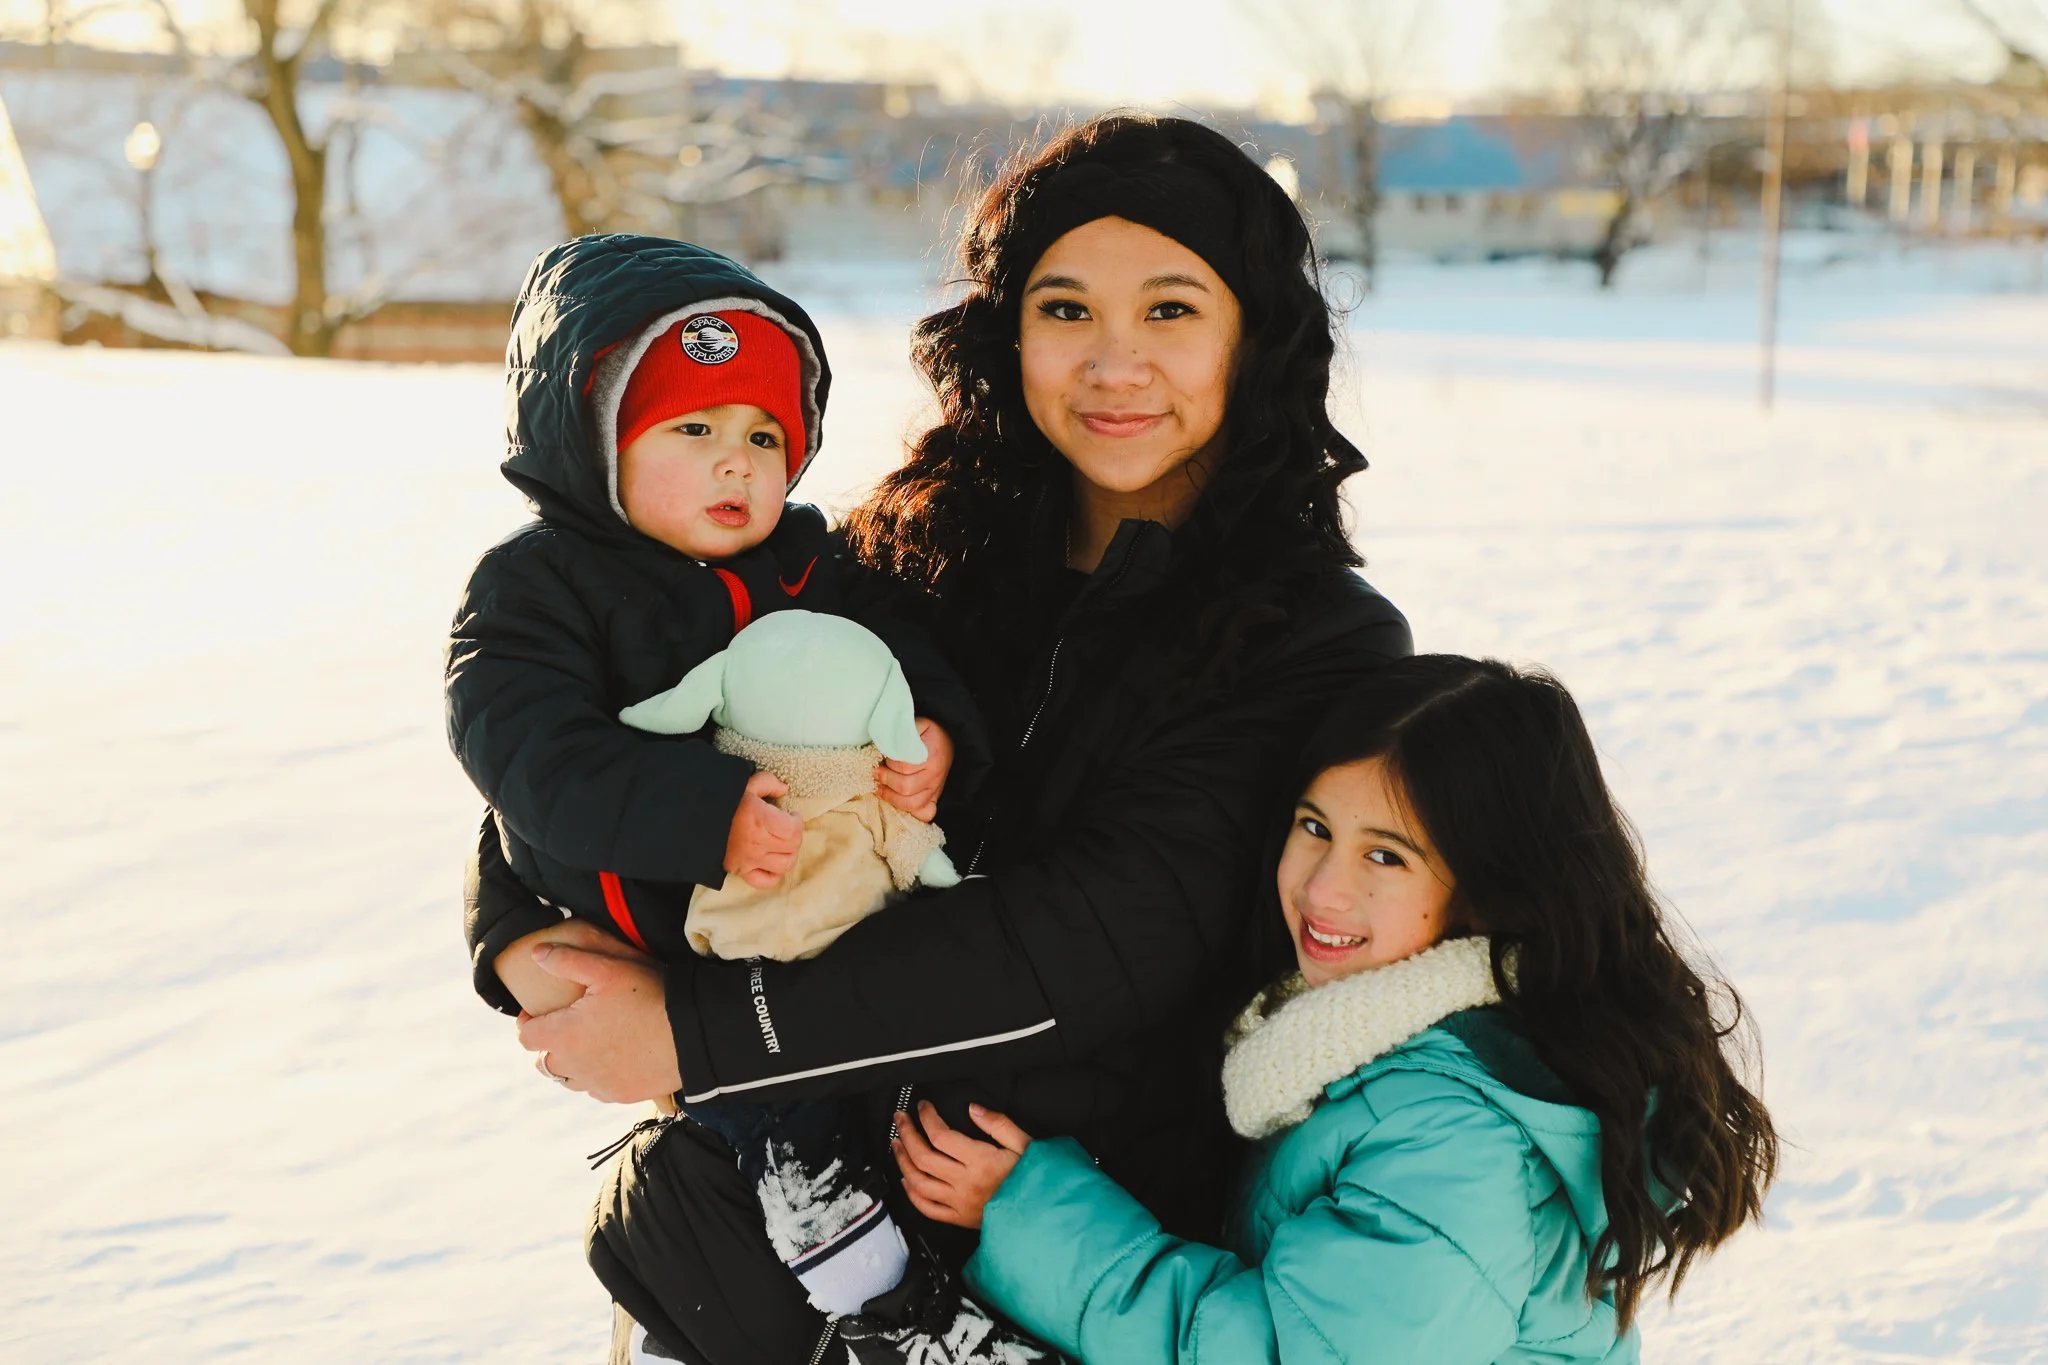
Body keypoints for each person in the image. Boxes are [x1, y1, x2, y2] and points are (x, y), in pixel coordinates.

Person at [476, 114, 1414, 1364]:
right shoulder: (899, 550)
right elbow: (577, 720)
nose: (1112, 363)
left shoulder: (1317, 642)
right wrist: (517, 933)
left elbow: (1103, 936)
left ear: (1253, 336)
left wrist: (699, 1029)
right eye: (1065, 309)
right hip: (732, 1249)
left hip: (1063, 1268)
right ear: (1006, 330)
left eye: (1173, 310)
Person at [896, 655, 1782, 1364]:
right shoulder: (1373, 1040)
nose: (1324, 888)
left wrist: (1038, 1213)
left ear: (1486, 889)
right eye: (1315, 826)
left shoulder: (1457, 1142)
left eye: (1387, 858)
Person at [446, 236, 986, 1338]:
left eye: (762, 435)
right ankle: (866, 1289)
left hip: (828, 921)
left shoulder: (812, 566)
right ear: (595, 440)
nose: (735, 463)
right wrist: (704, 813)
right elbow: (527, 752)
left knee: (874, 1087)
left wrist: (935, 738)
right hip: (663, 928)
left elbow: (899, 661)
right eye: (691, 430)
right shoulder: (537, 588)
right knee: (760, 1113)